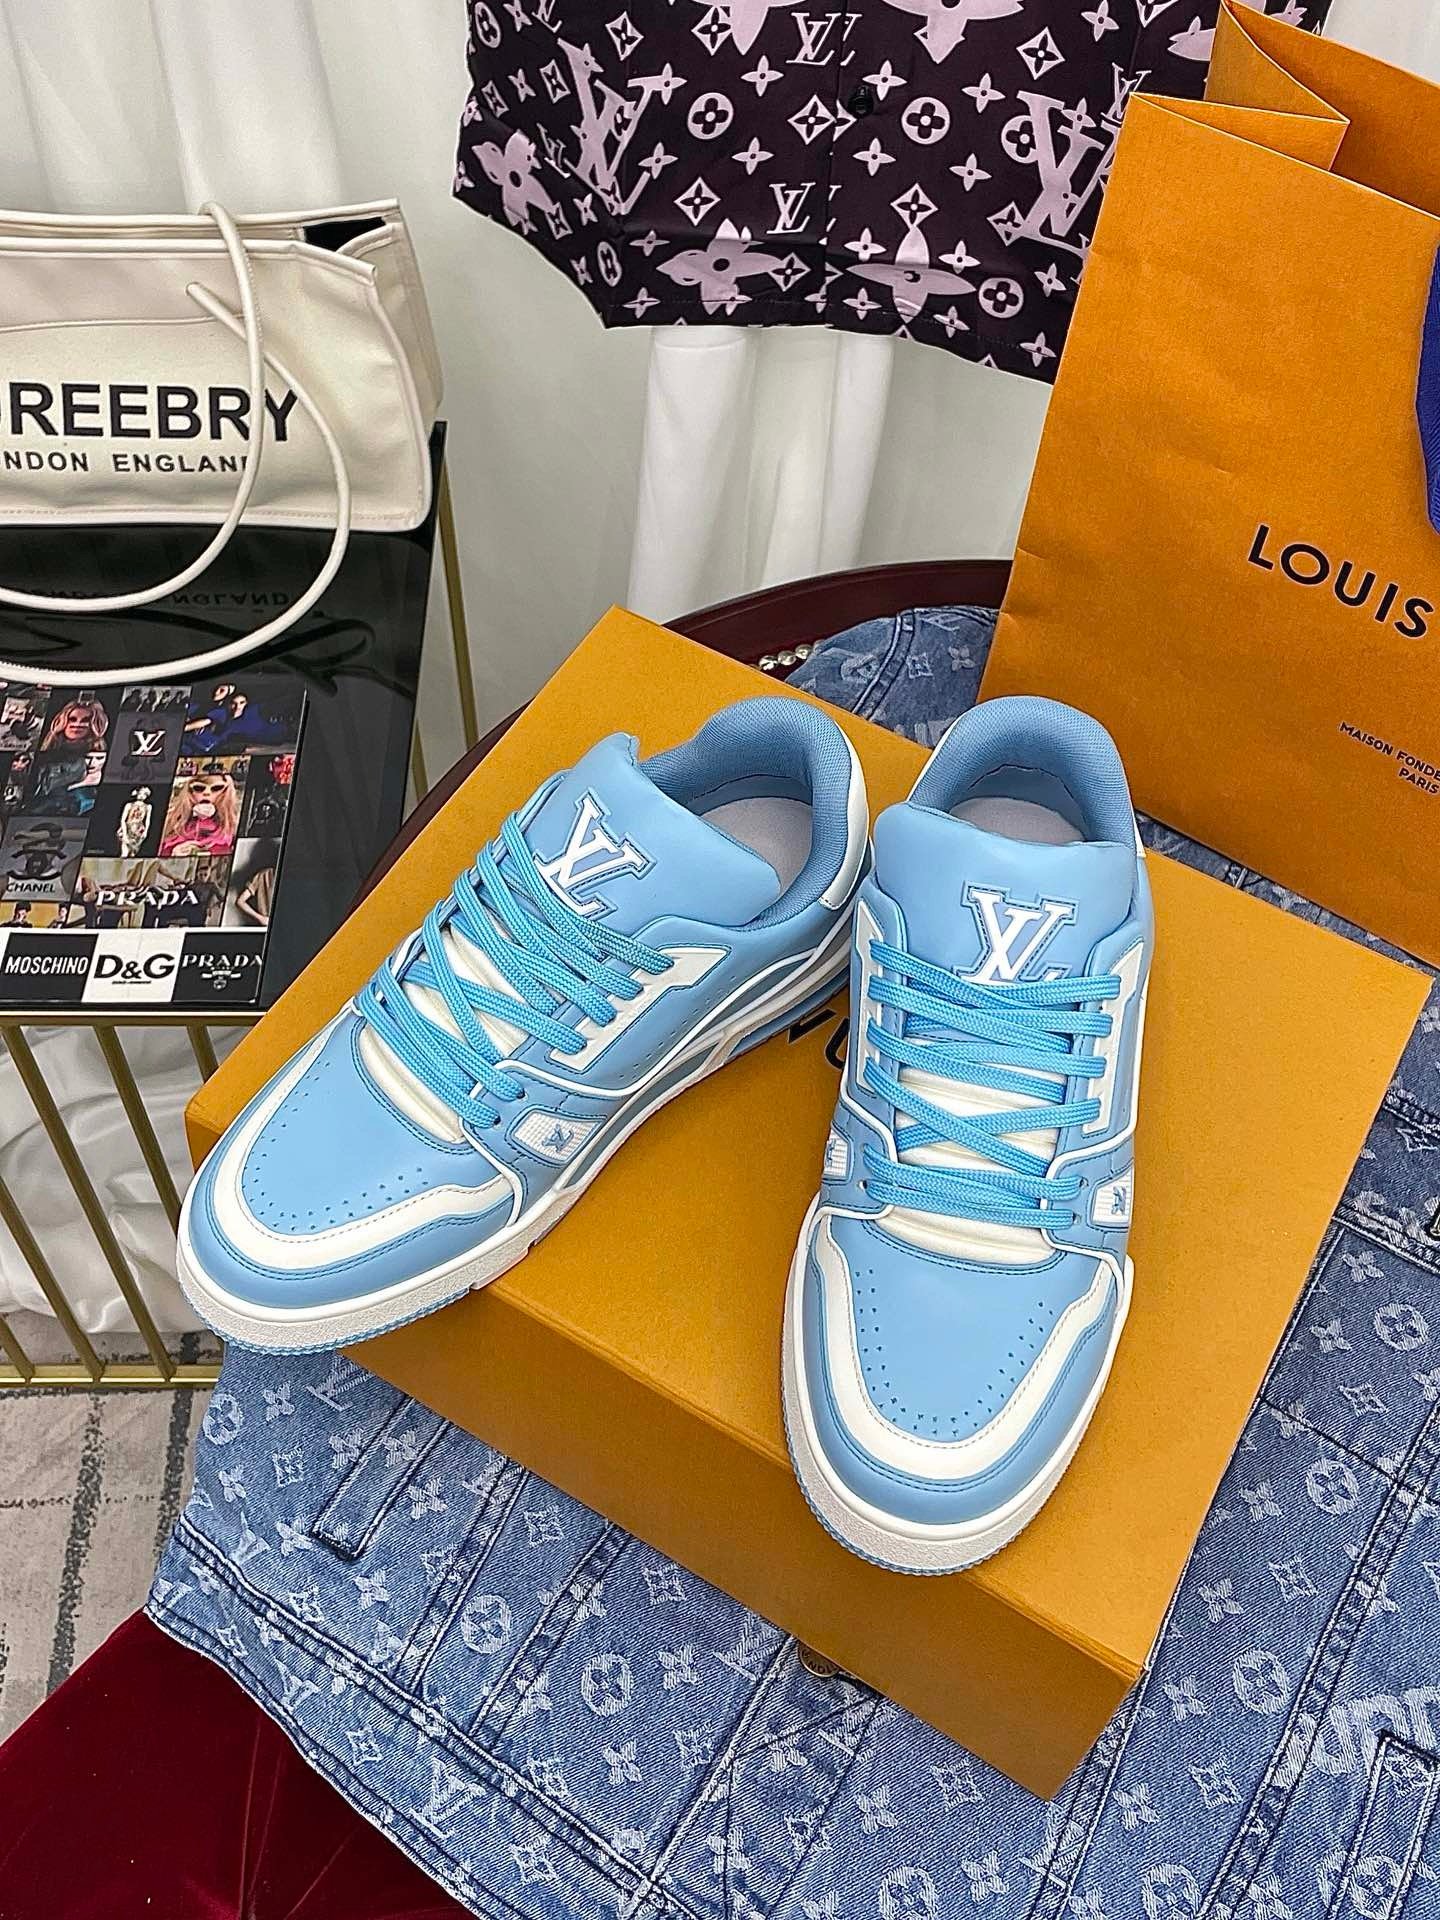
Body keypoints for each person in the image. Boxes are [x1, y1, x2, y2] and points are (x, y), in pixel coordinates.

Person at [159, 770, 239, 857]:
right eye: (199, 788)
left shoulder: (234, 825)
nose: (207, 793)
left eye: (216, 788)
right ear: (190, 791)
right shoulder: (171, 821)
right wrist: (173, 855)